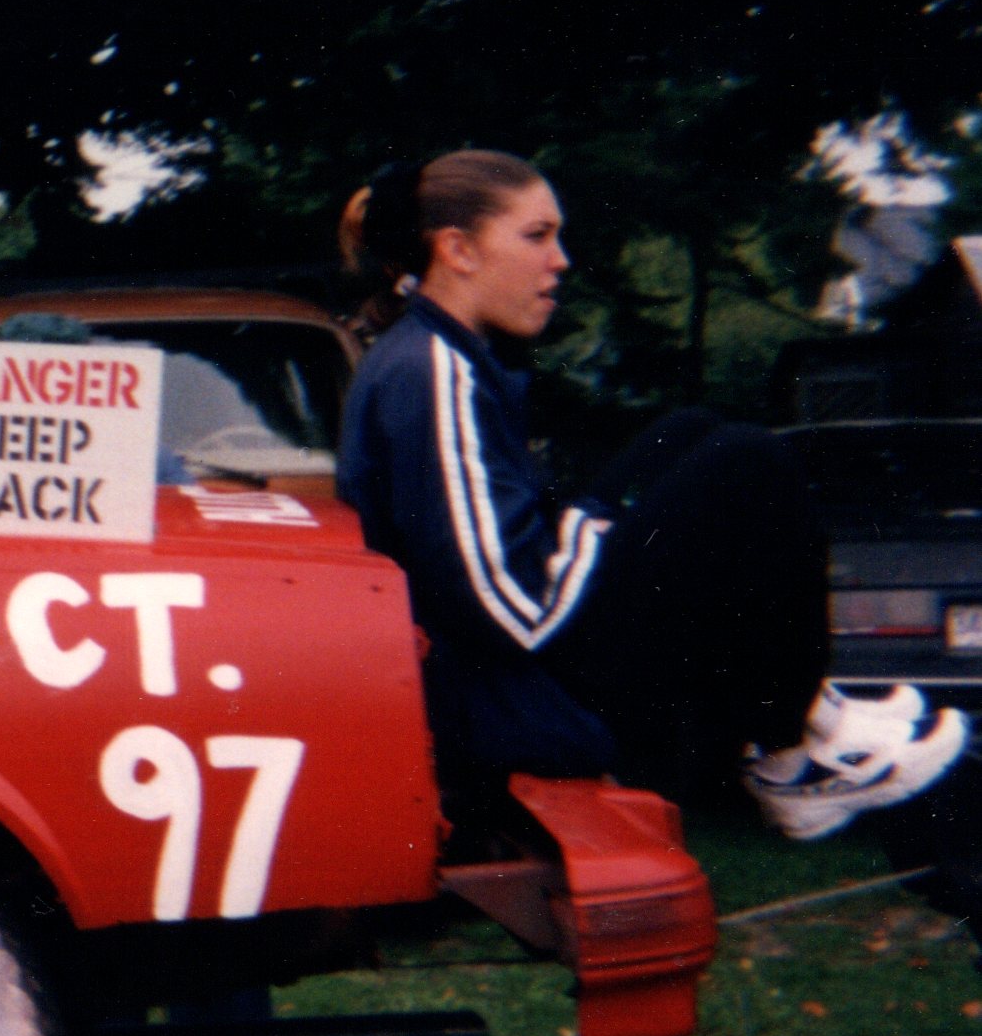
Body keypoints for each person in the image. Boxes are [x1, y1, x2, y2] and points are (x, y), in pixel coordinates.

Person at [334, 150, 969, 849]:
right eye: (537, 236)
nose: (561, 261)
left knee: (686, 432)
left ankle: (814, 717)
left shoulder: (437, 355)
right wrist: (595, 524)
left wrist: (594, 522)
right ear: (457, 250)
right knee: (749, 461)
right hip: (523, 700)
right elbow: (513, 610)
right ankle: (794, 758)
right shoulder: (434, 370)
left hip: (521, 674)